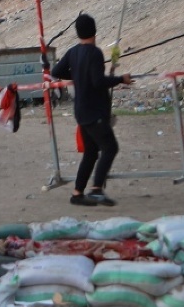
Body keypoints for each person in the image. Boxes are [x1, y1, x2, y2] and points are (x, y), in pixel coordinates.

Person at [51, 14, 133, 207]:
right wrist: (121, 79)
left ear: (78, 33)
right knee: (110, 147)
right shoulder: (95, 53)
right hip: (93, 112)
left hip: (81, 111)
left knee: (90, 152)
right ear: (95, 31)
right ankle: (96, 189)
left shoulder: (73, 52)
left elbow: (56, 71)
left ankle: (77, 193)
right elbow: (98, 82)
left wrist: (78, 75)